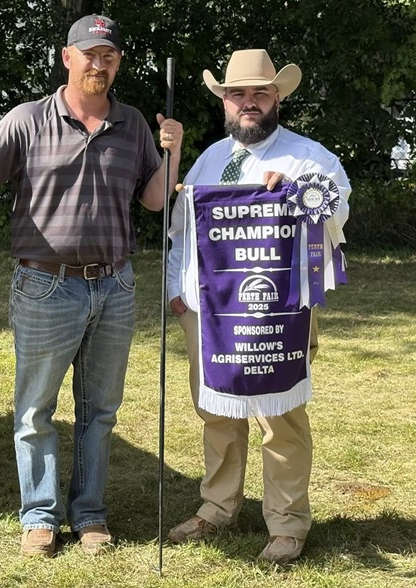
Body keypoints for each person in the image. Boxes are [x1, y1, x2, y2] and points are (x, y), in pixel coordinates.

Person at [0, 14, 183, 557]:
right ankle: (38, 515)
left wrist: (172, 153)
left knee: (100, 410)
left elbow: (154, 200)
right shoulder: (28, 120)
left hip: (115, 286)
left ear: (117, 62)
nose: (98, 64)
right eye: (89, 54)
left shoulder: (132, 125)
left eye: (108, 56)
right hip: (45, 287)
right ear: (67, 57)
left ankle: (90, 513)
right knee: (36, 410)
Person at [165, 49, 351, 564]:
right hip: (209, 313)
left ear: (277, 98)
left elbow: (338, 212)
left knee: (281, 414)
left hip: (281, 313)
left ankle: (287, 523)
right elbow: (182, 233)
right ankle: (217, 507)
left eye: (259, 93)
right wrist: (174, 294)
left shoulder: (310, 159)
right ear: (224, 102)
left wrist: (297, 194)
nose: (248, 102)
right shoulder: (207, 160)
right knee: (216, 411)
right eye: (237, 93)